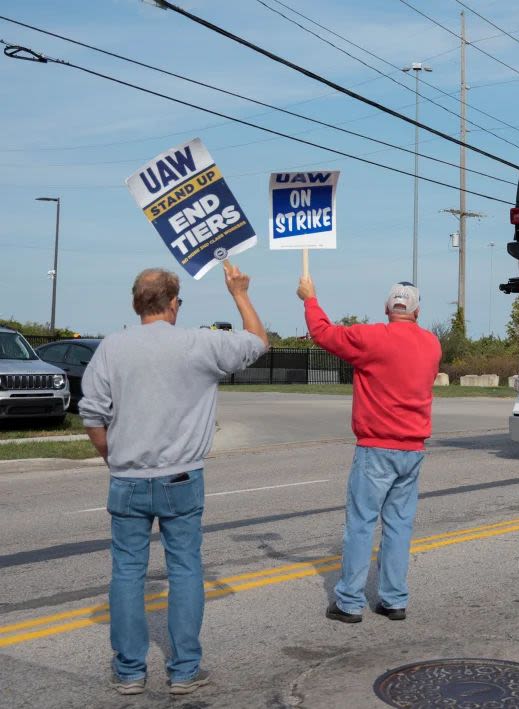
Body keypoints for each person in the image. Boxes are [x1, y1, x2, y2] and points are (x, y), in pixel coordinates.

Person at [80, 262, 268, 696]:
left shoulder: (112, 347)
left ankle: (130, 672)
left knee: (127, 572)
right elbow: (258, 342)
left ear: (135, 304)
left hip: (127, 477)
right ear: (174, 304)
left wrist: (114, 457)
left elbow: (92, 414)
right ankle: (184, 670)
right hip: (182, 477)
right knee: (184, 569)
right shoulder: (199, 343)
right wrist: (239, 293)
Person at [296, 276, 441, 624]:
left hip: (376, 447)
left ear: (386, 308)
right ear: (417, 311)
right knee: (399, 527)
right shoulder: (432, 344)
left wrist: (310, 299)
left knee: (361, 525)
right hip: (412, 450)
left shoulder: (371, 337)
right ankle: (393, 600)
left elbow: (324, 334)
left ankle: (349, 602)